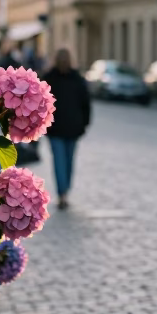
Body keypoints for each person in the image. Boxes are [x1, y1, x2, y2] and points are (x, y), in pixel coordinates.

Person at [42, 49, 91, 210]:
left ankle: (62, 193)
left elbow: (40, 104)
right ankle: (65, 191)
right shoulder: (77, 79)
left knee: (59, 162)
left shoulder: (49, 78)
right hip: (72, 127)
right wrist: (84, 125)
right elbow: (86, 105)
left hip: (56, 128)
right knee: (69, 161)